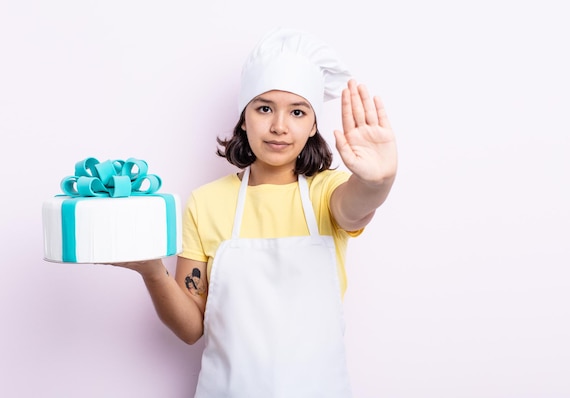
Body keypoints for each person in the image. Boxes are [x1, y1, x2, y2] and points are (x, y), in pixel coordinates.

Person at [114, 27, 397, 397]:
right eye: (264, 108)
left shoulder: (326, 191)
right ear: (243, 118)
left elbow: (355, 207)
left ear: (313, 125)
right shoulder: (206, 202)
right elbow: (189, 329)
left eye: (297, 112)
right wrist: (153, 272)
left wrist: (378, 182)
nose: (279, 126)